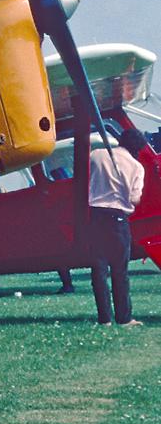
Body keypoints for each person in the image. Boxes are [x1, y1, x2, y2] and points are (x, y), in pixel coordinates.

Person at [87, 129, 148, 327]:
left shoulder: (96, 155)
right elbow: (134, 199)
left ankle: (104, 318)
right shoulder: (137, 167)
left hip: (95, 217)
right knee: (120, 271)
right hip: (118, 220)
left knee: (99, 270)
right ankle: (124, 318)